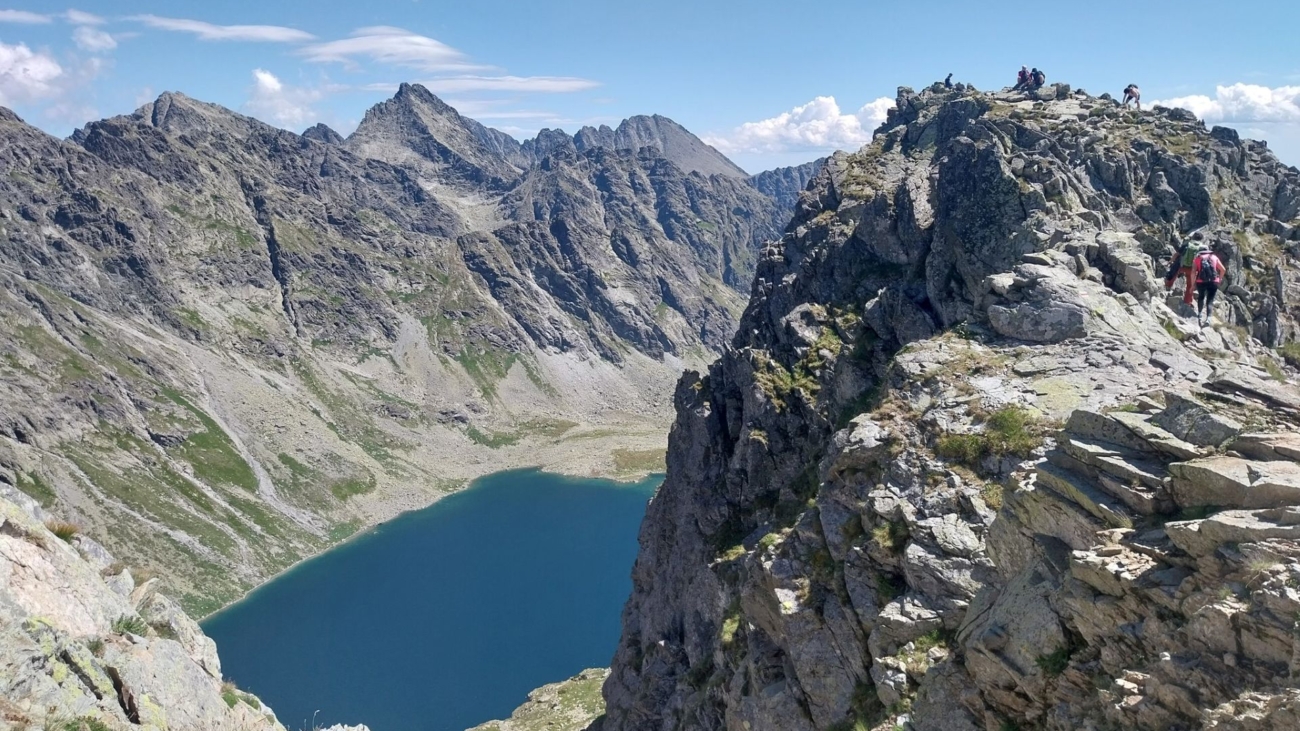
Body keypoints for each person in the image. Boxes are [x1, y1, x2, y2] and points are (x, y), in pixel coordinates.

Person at [1165, 232, 1203, 306]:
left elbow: (1177, 254)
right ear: (1201, 239)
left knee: (1174, 274)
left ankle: (1167, 286)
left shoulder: (1187, 244)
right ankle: (1187, 301)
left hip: (1182, 266)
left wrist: (1170, 261)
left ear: (1193, 237)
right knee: (1190, 285)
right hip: (1193, 269)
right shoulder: (1202, 248)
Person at [1193, 245, 1226, 326]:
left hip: (1201, 281)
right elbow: (1223, 270)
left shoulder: (1197, 259)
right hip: (1213, 281)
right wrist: (1220, 279)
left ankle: (1199, 314)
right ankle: (1208, 319)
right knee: (1210, 300)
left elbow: (1193, 272)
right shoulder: (1214, 257)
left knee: (1201, 297)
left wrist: (1193, 283)